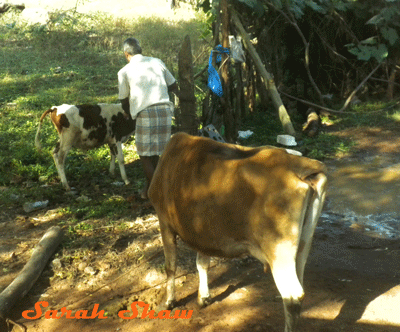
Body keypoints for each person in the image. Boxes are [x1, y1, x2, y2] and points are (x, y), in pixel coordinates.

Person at [118, 37, 180, 199]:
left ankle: (159, 194)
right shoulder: (157, 62)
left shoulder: (124, 72)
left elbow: (123, 100)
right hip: (165, 110)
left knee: (145, 155)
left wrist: (129, 111)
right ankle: (149, 189)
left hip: (145, 112)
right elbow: (173, 85)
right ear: (140, 50)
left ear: (126, 54)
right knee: (156, 153)